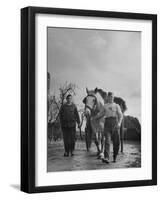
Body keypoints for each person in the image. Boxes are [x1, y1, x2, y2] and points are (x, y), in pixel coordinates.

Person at [95, 92, 123, 163]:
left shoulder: (116, 106)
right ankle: (106, 157)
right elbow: (101, 114)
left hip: (115, 123)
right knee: (107, 141)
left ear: (113, 98)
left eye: (112, 97)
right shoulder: (105, 106)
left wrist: (119, 123)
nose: (111, 98)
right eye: (110, 97)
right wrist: (95, 117)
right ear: (108, 97)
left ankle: (115, 157)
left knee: (116, 142)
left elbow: (120, 115)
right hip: (107, 123)